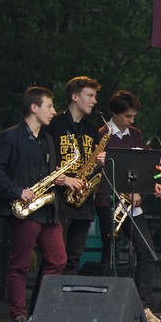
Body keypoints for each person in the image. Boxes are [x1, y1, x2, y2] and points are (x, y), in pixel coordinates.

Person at [0, 87, 70, 322]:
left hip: (47, 210)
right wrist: (17, 191)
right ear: (34, 107)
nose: (54, 111)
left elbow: (48, 172)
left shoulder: (47, 140)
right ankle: (19, 316)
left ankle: (41, 311)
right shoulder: (10, 137)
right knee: (20, 265)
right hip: (24, 209)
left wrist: (57, 178)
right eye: (49, 106)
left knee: (58, 260)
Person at [95, 90, 161, 322]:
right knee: (110, 253)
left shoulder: (135, 135)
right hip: (109, 203)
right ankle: (104, 307)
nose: (132, 121)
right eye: (127, 116)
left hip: (132, 206)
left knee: (147, 251)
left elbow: (143, 167)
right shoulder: (101, 135)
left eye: (134, 116)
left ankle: (143, 307)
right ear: (115, 113)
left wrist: (152, 184)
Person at [48, 75, 104, 276]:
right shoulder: (54, 123)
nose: (94, 101)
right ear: (75, 96)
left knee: (74, 257)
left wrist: (99, 162)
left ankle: (68, 294)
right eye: (90, 95)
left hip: (83, 199)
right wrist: (64, 179)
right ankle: (47, 296)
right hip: (59, 197)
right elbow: (45, 159)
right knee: (55, 258)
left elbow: (92, 164)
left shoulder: (91, 128)